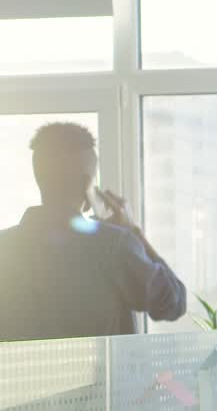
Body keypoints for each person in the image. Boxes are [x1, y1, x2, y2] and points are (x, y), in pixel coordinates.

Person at [0, 122, 186, 341]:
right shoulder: (114, 246)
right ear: (87, 183)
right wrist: (132, 230)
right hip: (99, 366)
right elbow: (173, 302)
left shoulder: (5, 247)